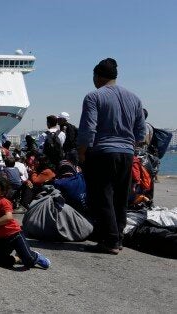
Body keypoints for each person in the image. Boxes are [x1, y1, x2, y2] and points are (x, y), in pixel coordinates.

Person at [77, 57, 146, 254]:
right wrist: (128, 146)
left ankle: (110, 240)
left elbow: (88, 129)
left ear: (97, 76)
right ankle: (119, 238)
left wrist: (82, 154)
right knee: (120, 197)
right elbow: (141, 133)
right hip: (127, 154)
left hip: (102, 153)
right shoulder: (135, 98)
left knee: (102, 196)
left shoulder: (94, 97)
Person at [0, 175, 51, 269]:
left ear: (2, 192)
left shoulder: (4, 202)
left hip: (14, 235)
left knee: (29, 261)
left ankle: (35, 256)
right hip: (1, 238)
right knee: (1, 262)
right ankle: (18, 258)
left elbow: (8, 217)